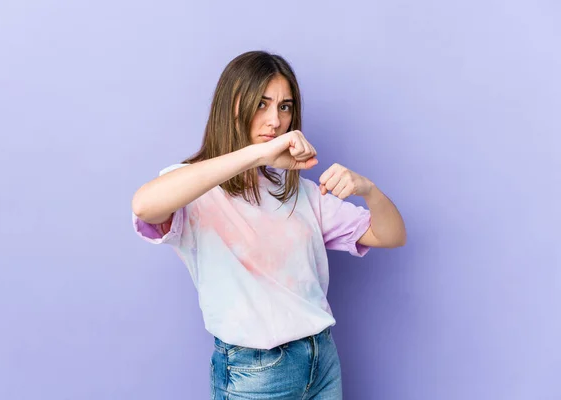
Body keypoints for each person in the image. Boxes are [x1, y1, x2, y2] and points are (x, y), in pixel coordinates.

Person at [131, 50, 406, 400]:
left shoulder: (298, 192)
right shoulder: (195, 188)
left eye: (285, 107)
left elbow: (392, 234)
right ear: (232, 105)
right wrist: (259, 154)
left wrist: (369, 190)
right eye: (261, 104)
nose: (275, 121)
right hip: (256, 372)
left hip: (321, 362)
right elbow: (144, 205)